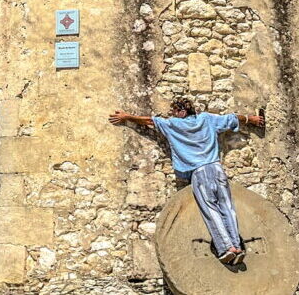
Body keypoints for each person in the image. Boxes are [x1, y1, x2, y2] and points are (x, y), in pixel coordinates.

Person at [109, 98, 264, 265]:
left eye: (175, 111)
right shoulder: (207, 119)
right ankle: (236, 245)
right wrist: (252, 119)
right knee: (227, 207)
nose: (172, 115)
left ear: (182, 112)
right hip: (217, 169)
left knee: (211, 210)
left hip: (200, 171)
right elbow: (233, 118)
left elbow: (148, 121)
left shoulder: (174, 125)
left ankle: (227, 248)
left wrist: (127, 116)